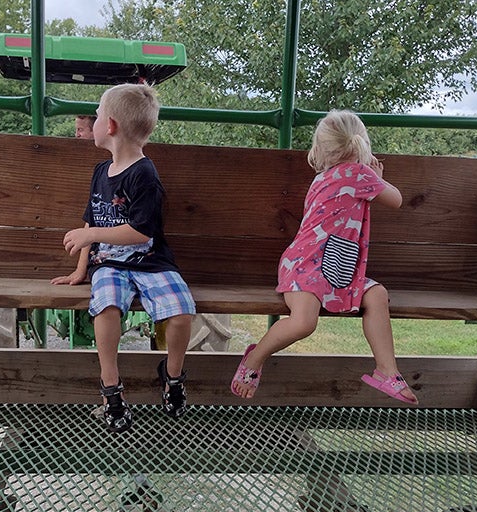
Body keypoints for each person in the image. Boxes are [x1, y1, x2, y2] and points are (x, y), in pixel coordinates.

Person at [230, 109, 419, 405]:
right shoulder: (361, 174)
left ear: (321, 149)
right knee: (307, 321)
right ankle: (255, 357)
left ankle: (386, 369)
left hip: (330, 266)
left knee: (374, 295)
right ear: (361, 146)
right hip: (306, 265)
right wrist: (378, 176)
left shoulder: (324, 177)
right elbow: (395, 200)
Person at [52, 83, 196, 432]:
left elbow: (141, 232)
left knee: (181, 310)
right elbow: (93, 218)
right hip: (109, 266)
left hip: (150, 261)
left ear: (111, 126)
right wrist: (80, 269)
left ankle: (173, 375)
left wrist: (93, 235)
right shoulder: (101, 172)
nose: (95, 120)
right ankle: (110, 386)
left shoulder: (144, 174)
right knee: (107, 307)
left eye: (98, 115)